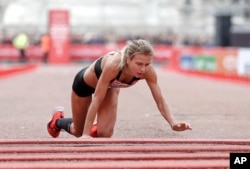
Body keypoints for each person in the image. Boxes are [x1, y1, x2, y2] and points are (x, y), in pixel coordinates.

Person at [47, 39, 192, 138]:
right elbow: (97, 98)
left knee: (105, 133)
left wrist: (173, 123)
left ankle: (96, 125)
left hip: (110, 87)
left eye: (147, 64)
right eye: (139, 63)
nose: (143, 69)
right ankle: (57, 121)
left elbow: (160, 101)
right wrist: (85, 135)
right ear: (128, 59)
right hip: (85, 85)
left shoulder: (148, 71)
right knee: (78, 132)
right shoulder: (114, 65)